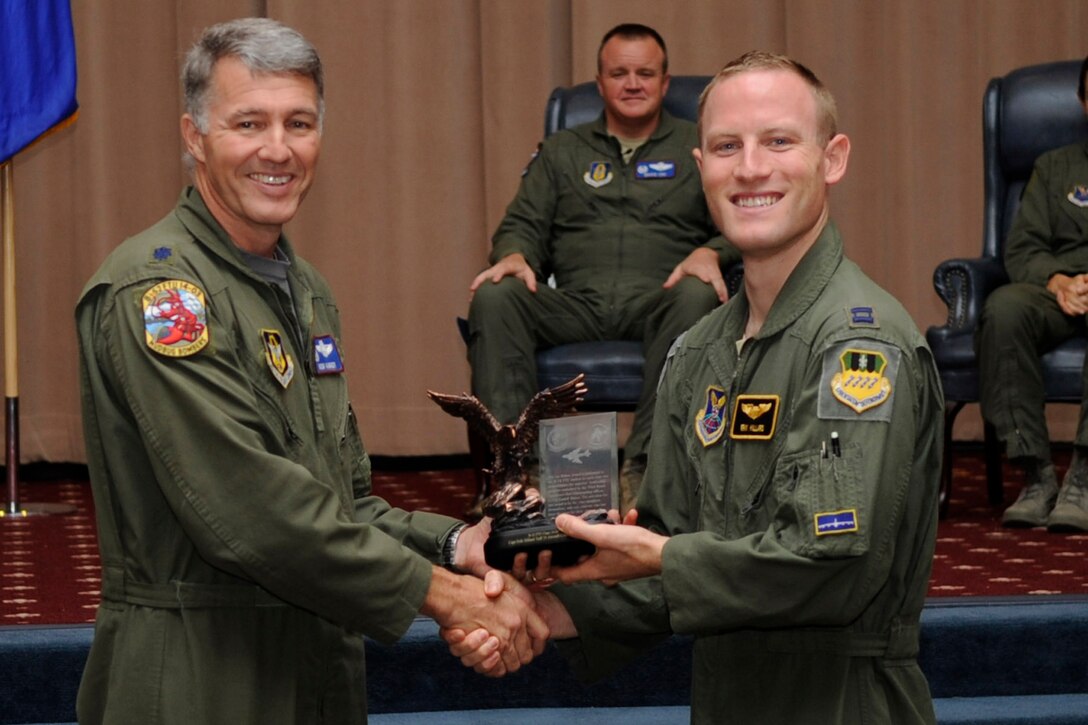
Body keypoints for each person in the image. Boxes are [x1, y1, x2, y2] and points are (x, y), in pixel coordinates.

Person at [74, 18, 545, 725]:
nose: (278, 149)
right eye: (248, 123)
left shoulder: (305, 290)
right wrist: (447, 596)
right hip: (200, 673)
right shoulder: (160, 294)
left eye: (299, 123)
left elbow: (340, 504)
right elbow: (253, 514)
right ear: (194, 136)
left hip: (317, 663)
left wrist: (456, 544)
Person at [451, 50, 944, 724]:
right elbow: (670, 553)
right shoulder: (700, 351)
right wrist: (549, 609)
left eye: (779, 141)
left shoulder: (859, 346)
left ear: (832, 159)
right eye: (726, 146)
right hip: (723, 697)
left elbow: (830, 571)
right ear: (700, 165)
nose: (750, 168)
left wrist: (662, 556)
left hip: (841, 701)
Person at [466, 23, 740, 512]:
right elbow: (521, 225)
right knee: (496, 293)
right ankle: (517, 475)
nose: (632, 84)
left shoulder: (699, 149)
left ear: (664, 82)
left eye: (645, 74)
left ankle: (647, 471)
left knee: (698, 293)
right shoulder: (562, 151)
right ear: (599, 83)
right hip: (576, 304)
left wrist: (712, 251)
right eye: (619, 73)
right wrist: (515, 254)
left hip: (662, 302)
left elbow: (742, 218)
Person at [977, 54, 1088, 533]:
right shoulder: (1054, 166)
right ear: (1084, 102)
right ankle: (1035, 474)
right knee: (1004, 309)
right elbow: (1022, 248)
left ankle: (1084, 477)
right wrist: (1057, 280)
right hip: (1060, 289)